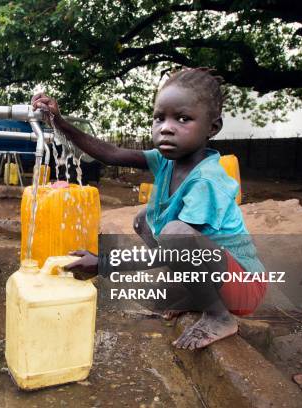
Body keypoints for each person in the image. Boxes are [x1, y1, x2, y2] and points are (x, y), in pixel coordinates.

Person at [32, 68, 266, 350]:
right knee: (144, 219)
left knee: (175, 232)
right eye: (159, 118)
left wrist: (104, 263)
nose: (166, 127)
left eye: (183, 119)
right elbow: (111, 154)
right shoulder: (166, 160)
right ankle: (193, 295)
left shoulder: (207, 182)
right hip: (216, 274)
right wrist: (59, 122)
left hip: (244, 286)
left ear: (212, 127)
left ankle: (219, 317)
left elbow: (177, 245)